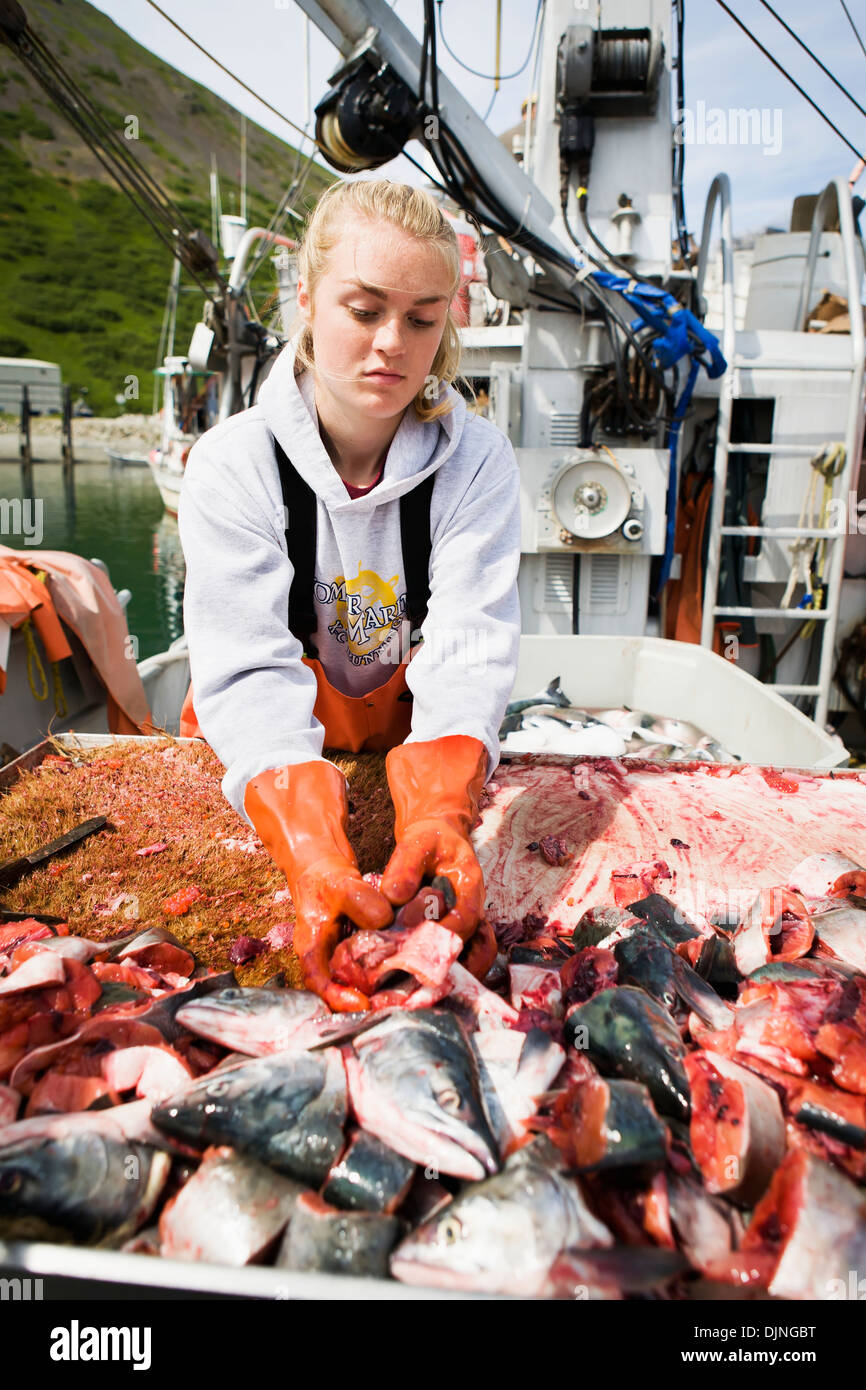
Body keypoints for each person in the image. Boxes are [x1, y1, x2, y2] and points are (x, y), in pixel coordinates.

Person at [177, 178, 521, 1011]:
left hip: (410, 740)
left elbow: (468, 648)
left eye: (422, 319)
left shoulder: (476, 462)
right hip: (266, 755)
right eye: (364, 310)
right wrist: (311, 850)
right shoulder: (233, 464)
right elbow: (249, 669)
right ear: (306, 299)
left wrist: (439, 812)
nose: (391, 344)